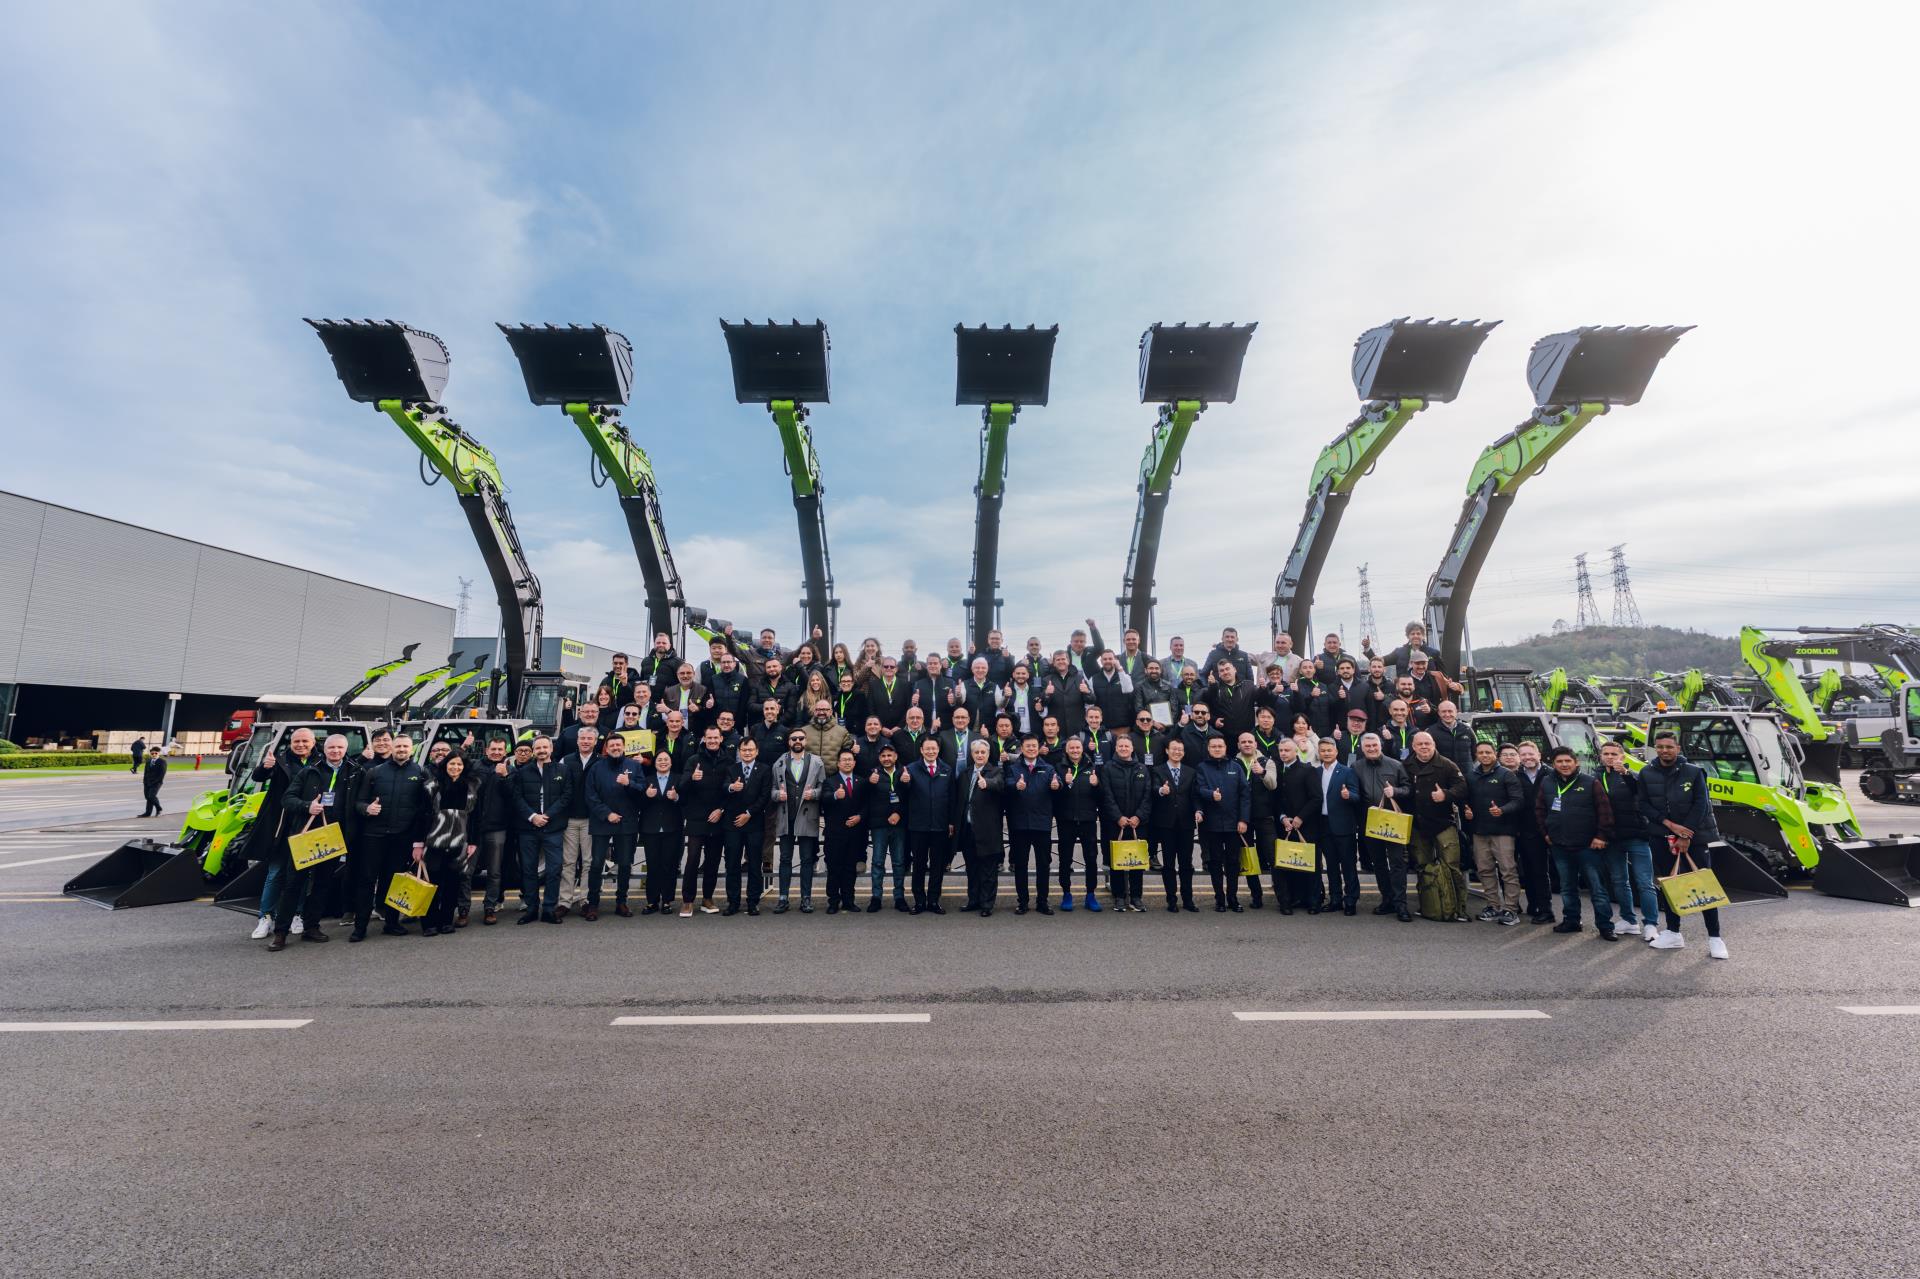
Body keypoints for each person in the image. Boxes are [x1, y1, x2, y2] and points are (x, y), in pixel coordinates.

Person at [1639, 730, 1729, 958]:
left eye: (1669, 747)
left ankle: (1715, 938)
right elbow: (1643, 804)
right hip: (1661, 836)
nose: (1664, 751)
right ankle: (1673, 932)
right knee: (1670, 885)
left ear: (1678, 749)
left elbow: (1701, 805)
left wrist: (1686, 835)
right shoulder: (1646, 772)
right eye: (1660, 747)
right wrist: (1669, 824)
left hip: (1695, 838)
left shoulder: (1694, 772)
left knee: (1703, 885)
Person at [266, 732, 355, 950]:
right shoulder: (309, 771)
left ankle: (311, 927)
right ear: (324, 749)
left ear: (346, 750)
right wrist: (307, 806)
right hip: (306, 836)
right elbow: (287, 799)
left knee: (322, 884)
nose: (335, 751)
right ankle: (281, 932)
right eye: (331, 747)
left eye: (340, 748)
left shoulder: (354, 772)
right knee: (293, 884)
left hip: (333, 836)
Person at [351, 732, 434, 939]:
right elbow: (358, 802)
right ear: (392, 748)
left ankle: (391, 923)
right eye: (398, 746)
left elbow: (426, 809)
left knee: (394, 881)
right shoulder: (374, 772)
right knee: (366, 881)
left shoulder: (421, 772)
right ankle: (359, 928)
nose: (402, 750)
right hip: (373, 836)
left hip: (402, 837)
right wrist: (367, 808)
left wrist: (419, 840)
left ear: (412, 749)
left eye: (406, 746)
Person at [1537, 745, 1617, 939]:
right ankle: (1572, 921)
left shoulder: (1591, 782)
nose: (1564, 765)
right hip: (1559, 845)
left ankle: (1605, 926)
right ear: (1553, 764)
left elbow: (1605, 812)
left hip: (1588, 846)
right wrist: (1546, 833)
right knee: (1567, 887)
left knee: (1597, 888)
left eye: (1568, 761)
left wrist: (1601, 836)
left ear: (1576, 762)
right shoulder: (1547, 782)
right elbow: (1540, 810)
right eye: (1559, 761)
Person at [249, 727, 317, 940]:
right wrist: (264, 767)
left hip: (306, 825)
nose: (301, 745)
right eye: (297, 741)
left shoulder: (320, 761)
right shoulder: (279, 761)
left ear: (313, 743)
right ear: (291, 742)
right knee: (276, 872)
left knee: (302, 874)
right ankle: (266, 916)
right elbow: (258, 776)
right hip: (281, 825)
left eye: (305, 741)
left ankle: (297, 914)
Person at [1599, 740, 1660, 942]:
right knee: (1619, 881)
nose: (1610, 757)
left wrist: (1625, 773)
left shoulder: (1633, 775)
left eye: (1614, 754)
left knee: (1644, 883)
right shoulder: (1597, 777)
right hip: (1613, 838)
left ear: (1622, 757)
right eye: (1606, 754)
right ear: (1601, 756)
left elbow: (1640, 792)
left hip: (1637, 835)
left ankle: (1651, 924)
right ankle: (1628, 920)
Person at [1406, 732, 1469, 922]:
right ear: (1413, 747)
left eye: (1427, 743)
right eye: (1420, 744)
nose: (1424, 747)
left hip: (1443, 824)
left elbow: (1462, 788)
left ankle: (1459, 909)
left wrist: (1446, 795)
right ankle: (1428, 906)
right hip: (1418, 826)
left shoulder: (1447, 765)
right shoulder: (1406, 765)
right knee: (1422, 868)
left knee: (1452, 866)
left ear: (1434, 744)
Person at [1348, 733, 1411, 920]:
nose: (1372, 749)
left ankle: (1401, 904)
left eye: (1374, 745)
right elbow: (1355, 793)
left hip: (1393, 822)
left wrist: (1395, 791)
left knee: (1397, 863)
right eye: (1368, 746)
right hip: (1369, 822)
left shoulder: (1396, 765)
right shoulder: (1356, 767)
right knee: (1379, 864)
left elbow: (1408, 789)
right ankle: (1387, 899)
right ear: (1362, 748)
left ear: (1380, 745)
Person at [509, 734, 570, 925]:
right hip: (528, 829)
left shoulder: (563, 770)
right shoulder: (522, 772)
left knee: (554, 869)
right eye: (538, 748)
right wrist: (532, 816)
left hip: (553, 828)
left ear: (551, 749)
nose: (542, 751)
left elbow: (566, 796)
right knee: (528, 870)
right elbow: (517, 798)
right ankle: (532, 908)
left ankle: (549, 909)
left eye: (545, 747)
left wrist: (547, 815)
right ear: (534, 751)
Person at [1463, 739, 1524, 924]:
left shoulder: (1506, 775)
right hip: (1479, 831)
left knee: (1508, 871)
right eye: (1481, 752)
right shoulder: (1471, 776)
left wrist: (1502, 810)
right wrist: (1467, 809)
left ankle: (1511, 909)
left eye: (1488, 752)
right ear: (1476, 755)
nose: (1484, 755)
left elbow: (1518, 801)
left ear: (1495, 754)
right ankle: (1493, 906)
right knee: (1484, 870)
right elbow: (1466, 799)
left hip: (1503, 831)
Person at [417, 751, 478, 936]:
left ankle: (446, 921)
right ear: (445, 765)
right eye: (452, 763)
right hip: (434, 841)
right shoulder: (432, 785)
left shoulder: (471, 786)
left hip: (459, 842)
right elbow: (421, 814)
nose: (455, 767)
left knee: (453, 884)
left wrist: (473, 842)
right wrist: (418, 843)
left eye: (459, 764)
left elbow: (475, 817)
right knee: (431, 883)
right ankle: (429, 923)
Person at [584, 732, 642, 919]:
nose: (616, 748)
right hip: (602, 821)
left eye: (618, 745)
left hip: (627, 822)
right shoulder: (596, 767)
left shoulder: (634, 766)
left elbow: (642, 791)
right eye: (612, 746)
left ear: (624, 747)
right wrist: (607, 813)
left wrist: (629, 783)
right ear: (606, 749)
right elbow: (590, 795)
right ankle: (593, 903)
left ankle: (621, 902)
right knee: (596, 864)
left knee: (624, 864)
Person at [1308, 737, 1365, 915]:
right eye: (1323, 750)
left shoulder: (1347, 771)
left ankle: (1351, 900)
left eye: (1329, 750)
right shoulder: (1315, 772)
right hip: (1323, 824)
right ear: (1319, 753)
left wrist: (1349, 795)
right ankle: (1335, 899)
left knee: (1348, 865)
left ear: (1336, 752)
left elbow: (1357, 796)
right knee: (1331, 866)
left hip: (1343, 825)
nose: (1326, 753)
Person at [1003, 736, 1058, 915]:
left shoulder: (1048, 768)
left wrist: (1057, 785)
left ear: (1038, 748)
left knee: (1043, 865)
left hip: (1041, 823)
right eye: (1028, 746)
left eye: (1034, 746)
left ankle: (1042, 901)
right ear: (1022, 748)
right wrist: (1015, 786)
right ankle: (1023, 902)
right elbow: (1007, 785)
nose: (1032, 749)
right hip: (1019, 824)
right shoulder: (1013, 768)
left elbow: (1057, 783)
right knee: (1021, 865)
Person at [1195, 734, 1250, 911]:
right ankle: (1219, 898)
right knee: (1215, 863)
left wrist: (1243, 819)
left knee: (1233, 863)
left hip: (1234, 824)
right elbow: (1198, 790)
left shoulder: (1235, 767)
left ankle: (1233, 898)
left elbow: (1245, 795)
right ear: (1208, 749)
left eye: (1220, 746)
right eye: (1214, 746)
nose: (1217, 749)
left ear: (1226, 748)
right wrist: (1211, 794)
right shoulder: (1202, 768)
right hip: (1211, 825)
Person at [772, 728, 824, 913]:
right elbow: (771, 789)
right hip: (786, 816)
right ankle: (783, 898)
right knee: (785, 858)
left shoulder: (817, 762)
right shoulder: (779, 763)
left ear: (805, 741)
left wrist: (814, 793)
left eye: (801, 738)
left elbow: (823, 788)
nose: (797, 741)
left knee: (807, 859)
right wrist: (777, 795)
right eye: (794, 738)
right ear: (789, 742)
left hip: (807, 816)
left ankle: (806, 898)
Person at [1101, 732, 1153, 912]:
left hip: (1138, 824)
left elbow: (1148, 796)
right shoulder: (1108, 768)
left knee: (1137, 863)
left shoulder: (1142, 768)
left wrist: (1139, 816)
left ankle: (1136, 897)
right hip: (1116, 824)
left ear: (1132, 748)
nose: (1123, 748)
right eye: (1120, 746)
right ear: (1116, 748)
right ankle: (1119, 897)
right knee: (1117, 862)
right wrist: (1118, 817)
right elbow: (1106, 796)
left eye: (1126, 746)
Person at [721, 737, 773, 916]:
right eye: (744, 750)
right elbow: (724, 787)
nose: (747, 753)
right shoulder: (731, 769)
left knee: (754, 864)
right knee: (732, 864)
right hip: (733, 823)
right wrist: (731, 787)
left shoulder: (765, 769)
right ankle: (733, 902)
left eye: (751, 749)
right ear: (739, 752)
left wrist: (749, 813)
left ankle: (753, 901)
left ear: (757, 751)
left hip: (754, 822)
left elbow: (765, 796)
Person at [1051, 735, 1103, 912]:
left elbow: (1100, 797)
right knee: (1065, 859)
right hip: (1066, 820)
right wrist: (1064, 785)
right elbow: (1055, 798)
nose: (1075, 751)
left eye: (1077, 748)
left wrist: (1096, 786)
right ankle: (1066, 893)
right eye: (1071, 748)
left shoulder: (1092, 766)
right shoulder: (1058, 768)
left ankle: (1091, 895)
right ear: (1066, 750)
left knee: (1091, 858)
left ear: (1082, 749)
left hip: (1088, 819)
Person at [904, 737, 955, 914]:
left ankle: (933, 900)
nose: (931, 752)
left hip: (940, 825)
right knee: (918, 864)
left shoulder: (947, 769)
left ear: (938, 750)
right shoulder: (911, 769)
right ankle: (919, 901)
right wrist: (904, 782)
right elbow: (904, 795)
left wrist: (951, 821)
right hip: (918, 826)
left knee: (937, 866)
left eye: (934, 748)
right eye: (927, 749)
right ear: (921, 750)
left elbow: (952, 797)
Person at [1149, 737, 1199, 911]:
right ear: (1167, 751)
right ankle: (1171, 900)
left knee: (1186, 864)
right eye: (1174, 749)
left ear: (1183, 753)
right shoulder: (1157, 770)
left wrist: (1198, 811)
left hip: (1186, 824)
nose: (1177, 752)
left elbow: (1194, 795)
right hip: (1166, 824)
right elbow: (1153, 788)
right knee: (1169, 864)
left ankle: (1188, 899)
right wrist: (1161, 790)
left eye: (1180, 750)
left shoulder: (1191, 772)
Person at [1510, 742, 1557, 924]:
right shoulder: (1515, 776)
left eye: (1531, 753)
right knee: (1530, 870)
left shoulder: (1551, 774)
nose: (1527, 757)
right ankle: (1534, 905)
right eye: (1523, 754)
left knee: (1543, 872)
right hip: (1527, 830)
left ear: (1539, 754)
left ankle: (1546, 910)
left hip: (1550, 828)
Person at [555, 724, 599, 918]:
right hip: (570, 819)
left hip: (591, 819)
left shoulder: (600, 761)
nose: (586, 741)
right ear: (577, 741)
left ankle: (586, 901)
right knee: (568, 862)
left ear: (595, 742)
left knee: (589, 862)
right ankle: (564, 901)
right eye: (583, 738)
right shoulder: (566, 760)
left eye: (590, 739)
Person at [957, 737, 1003, 915]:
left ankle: (987, 904)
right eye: (976, 752)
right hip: (968, 829)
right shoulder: (966, 773)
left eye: (983, 752)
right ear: (972, 754)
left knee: (988, 871)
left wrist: (987, 783)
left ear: (988, 754)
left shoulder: (995, 771)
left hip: (987, 830)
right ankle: (973, 900)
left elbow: (999, 784)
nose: (980, 755)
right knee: (972, 868)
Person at [820, 748, 868, 914]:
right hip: (835, 833)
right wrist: (834, 795)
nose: (847, 762)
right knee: (834, 869)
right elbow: (823, 800)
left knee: (850, 869)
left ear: (854, 763)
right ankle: (833, 901)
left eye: (850, 759)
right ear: (838, 763)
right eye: (844, 760)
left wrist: (860, 817)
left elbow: (867, 805)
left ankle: (849, 901)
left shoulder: (861, 781)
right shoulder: (830, 781)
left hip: (855, 833)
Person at [1233, 731, 1276, 910]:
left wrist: (1262, 772)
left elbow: (1273, 784)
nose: (1247, 744)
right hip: (1243, 819)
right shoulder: (1233, 763)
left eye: (1250, 741)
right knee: (1248, 857)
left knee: (1273, 856)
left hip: (1264, 816)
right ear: (1238, 745)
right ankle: (1256, 895)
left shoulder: (1267, 762)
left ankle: (1283, 896)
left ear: (1256, 744)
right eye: (1243, 742)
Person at [638, 749, 683, 916]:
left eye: (666, 759)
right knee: (653, 865)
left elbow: (688, 801)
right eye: (659, 760)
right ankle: (652, 901)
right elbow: (638, 803)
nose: (663, 762)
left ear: (671, 762)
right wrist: (646, 795)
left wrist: (676, 797)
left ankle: (667, 901)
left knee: (669, 865)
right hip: (651, 828)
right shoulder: (647, 780)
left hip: (672, 828)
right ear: (655, 763)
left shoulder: (678, 779)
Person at [866, 743, 911, 911]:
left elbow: (910, 798)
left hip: (899, 824)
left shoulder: (904, 772)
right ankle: (876, 897)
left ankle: (899, 897)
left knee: (899, 862)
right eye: (883, 756)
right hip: (879, 825)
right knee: (878, 862)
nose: (886, 758)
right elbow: (867, 799)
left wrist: (898, 813)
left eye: (889, 755)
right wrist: (870, 783)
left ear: (895, 756)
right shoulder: (873, 773)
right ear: (879, 758)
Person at [1038, 650, 1093, 738]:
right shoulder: (1046, 680)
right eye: (1058, 660)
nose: (1061, 662)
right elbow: (1042, 703)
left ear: (1068, 661)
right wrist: (1046, 693)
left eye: (1063, 659)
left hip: (1077, 726)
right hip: (1057, 727)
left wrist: (1087, 692)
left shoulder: (1079, 678)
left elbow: (1092, 700)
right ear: (1054, 663)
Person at [1365, 621, 1444, 679]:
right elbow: (1378, 661)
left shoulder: (1434, 653)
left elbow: (1443, 675)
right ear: (1408, 636)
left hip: (1429, 692)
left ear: (1423, 636)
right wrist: (1367, 648)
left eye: (1418, 633)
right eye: (1412, 634)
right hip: (1405, 691)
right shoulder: (1399, 652)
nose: (1415, 636)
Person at [866, 655, 912, 730]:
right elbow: (871, 709)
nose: (889, 668)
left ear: (896, 669)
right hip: (880, 730)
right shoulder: (873, 685)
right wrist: (881, 727)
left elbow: (908, 707)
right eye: (886, 666)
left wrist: (899, 726)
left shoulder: (905, 685)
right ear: (882, 669)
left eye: (892, 667)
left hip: (900, 730)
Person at [140, 745, 167, 817]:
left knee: (151, 796)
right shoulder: (149, 761)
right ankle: (148, 813)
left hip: (156, 783)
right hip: (147, 782)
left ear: (158, 753)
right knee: (147, 797)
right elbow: (146, 772)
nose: (154, 754)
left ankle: (159, 809)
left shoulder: (162, 761)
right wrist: (144, 781)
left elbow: (162, 774)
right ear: (150, 754)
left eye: (156, 753)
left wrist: (155, 782)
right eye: (152, 753)